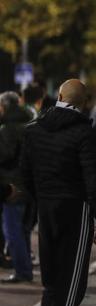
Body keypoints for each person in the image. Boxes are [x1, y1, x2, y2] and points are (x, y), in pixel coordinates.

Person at [20, 79, 96, 306]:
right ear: (85, 102)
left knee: (52, 282)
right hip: (75, 209)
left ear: (57, 96)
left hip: (47, 208)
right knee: (72, 285)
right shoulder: (83, 131)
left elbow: (25, 175)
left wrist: (42, 200)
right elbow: (93, 180)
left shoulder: (33, 130)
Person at [0, 91, 34, 284]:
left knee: (12, 231)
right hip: (29, 185)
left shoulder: (7, 129)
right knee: (24, 230)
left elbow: (3, 155)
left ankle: (22, 271)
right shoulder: (29, 123)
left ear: (5, 106)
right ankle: (26, 267)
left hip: (13, 186)